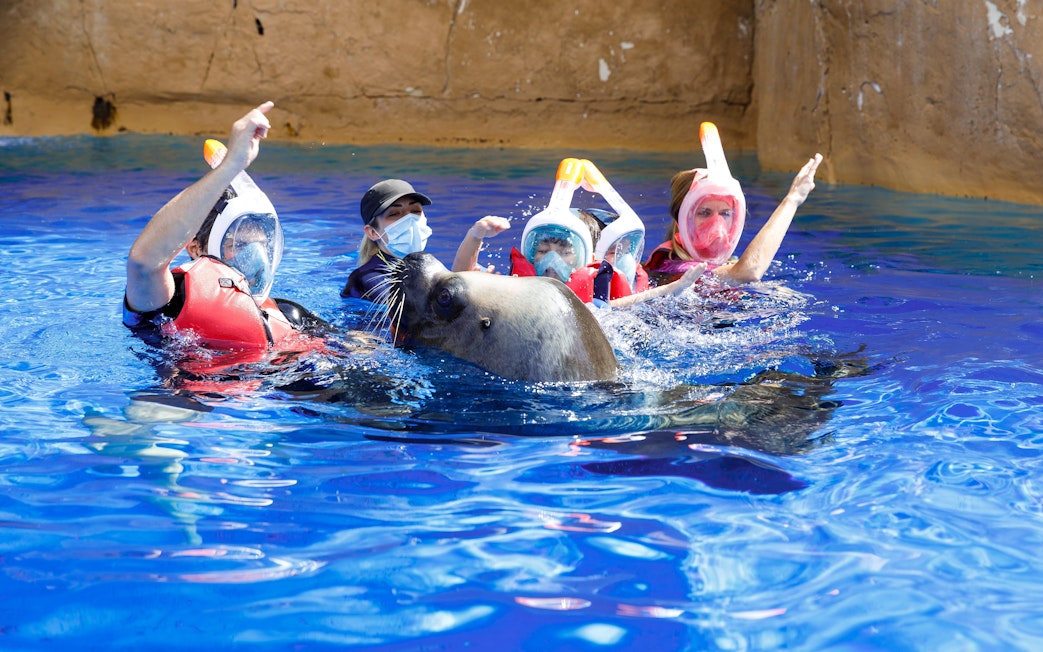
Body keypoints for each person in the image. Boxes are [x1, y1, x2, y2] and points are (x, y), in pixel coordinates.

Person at [123, 101, 325, 357]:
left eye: (262, 245)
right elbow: (143, 264)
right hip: (201, 394)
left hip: (286, 389)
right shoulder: (171, 303)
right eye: (238, 244)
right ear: (195, 247)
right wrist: (231, 166)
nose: (256, 256)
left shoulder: (291, 315)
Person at [644, 153, 823, 285]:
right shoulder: (674, 266)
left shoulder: (724, 263)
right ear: (681, 221)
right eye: (704, 213)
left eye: (725, 213)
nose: (717, 225)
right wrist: (792, 200)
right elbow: (749, 271)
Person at [340, 179, 510, 301]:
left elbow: (448, 286)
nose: (409, 220)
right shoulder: (369, 277)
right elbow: (426, 309)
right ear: (372, 232)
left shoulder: (417, 266)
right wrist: (473, 289)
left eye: (415, 211)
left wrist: (475, 235)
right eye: (394, 214)